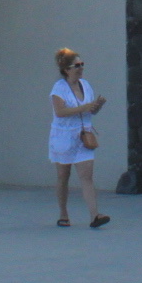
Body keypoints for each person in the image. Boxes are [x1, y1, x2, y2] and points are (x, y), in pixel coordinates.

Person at [50, 47, 109, 228]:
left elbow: (90, 111)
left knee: (87, 176)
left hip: (84, 136)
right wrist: (84, 107)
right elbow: (60, 112)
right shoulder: (59, 88)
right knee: (63, 176)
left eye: (82, 64)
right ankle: (63, 214)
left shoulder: (86, 85)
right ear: (66, 69)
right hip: (64, 137)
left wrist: (97, 106)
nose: (81, 68)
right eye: (77, 65)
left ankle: (94, 215)